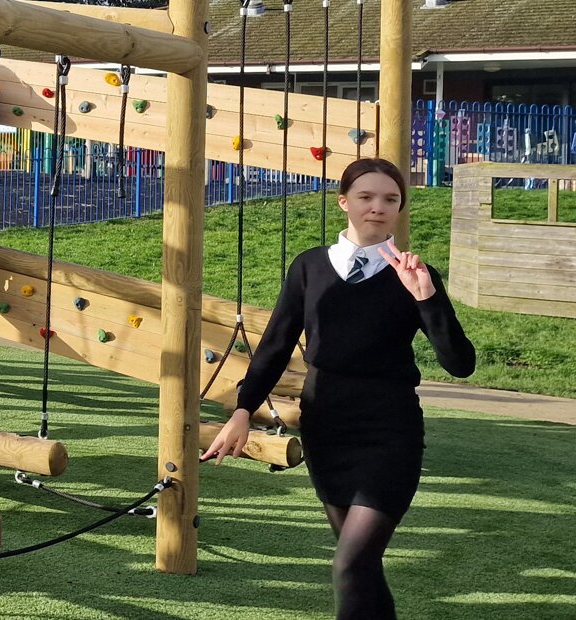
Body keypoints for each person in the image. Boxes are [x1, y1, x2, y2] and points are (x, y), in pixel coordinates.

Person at [203, 157, 475, 620]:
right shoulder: (309, 267)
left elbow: (460, 364)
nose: (378, 207)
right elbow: (273, 347)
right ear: (344, 202)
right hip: (326, 428)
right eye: (366, 197)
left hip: (389, 433)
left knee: (351, 562)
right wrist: (243, 410)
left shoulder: (416, 274)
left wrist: (426, 297)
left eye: (390, 199)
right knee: (363, 567)